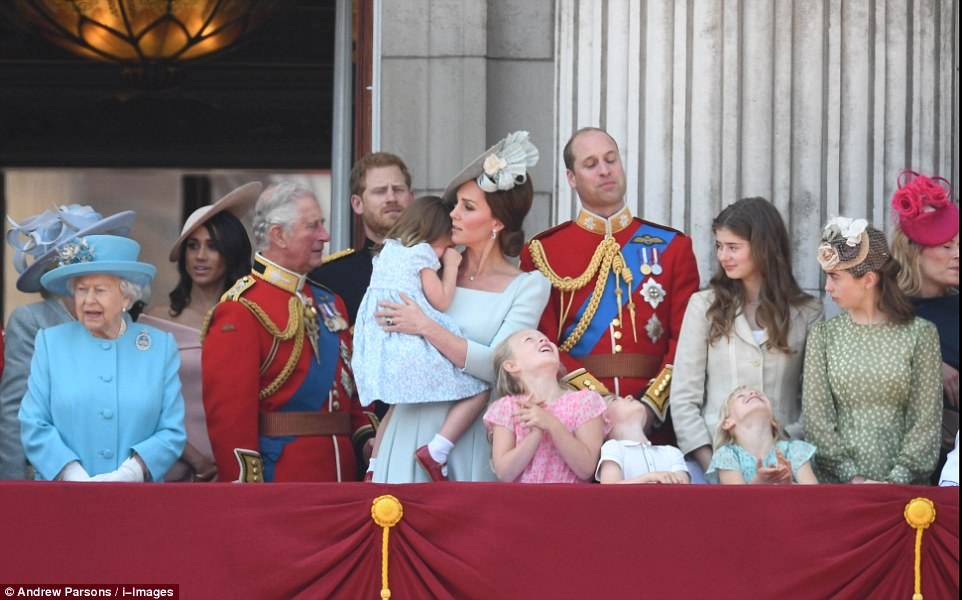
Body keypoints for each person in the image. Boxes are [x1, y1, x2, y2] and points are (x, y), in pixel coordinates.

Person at [372, 131, 551, 482]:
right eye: (456, 204)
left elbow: (499, 365)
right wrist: (377, 453)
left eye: (467, 207)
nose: (452, 214)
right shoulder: (430, 267)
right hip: (407, 425)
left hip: (469, 439)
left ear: (497, 223)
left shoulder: (528, 286)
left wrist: (425, 326)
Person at [520, 127, 699, 443]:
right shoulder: (544, 251)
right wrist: (599, 402)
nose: (604, 170)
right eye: (591, 164)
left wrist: (649, 407)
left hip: (656, 422)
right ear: (571, 178)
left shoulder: (672, 246)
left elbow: (686, 339)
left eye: (611, 160)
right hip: (575, 422)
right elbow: (542, 340)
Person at [201, 182, 368, 482]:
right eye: (312, 226)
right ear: (279, 235)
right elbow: (230, 422)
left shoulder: (331, 302)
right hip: (283, 479)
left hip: (343, 478)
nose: (324, 235)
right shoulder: (241, 310)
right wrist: (248, 492)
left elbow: (351, 390)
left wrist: (367, 439)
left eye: (323, 224)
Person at [670, 198, 823, 482]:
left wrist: (786, 457)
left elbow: (813, 401)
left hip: (789, 470)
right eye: (719, 246)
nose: (723, 256)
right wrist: (714, 467)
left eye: (733, 247)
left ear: (764, 248)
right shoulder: (703, 306)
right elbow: (683, 397)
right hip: (714, 467)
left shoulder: (807, 312)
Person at [18, 234, 186, 481]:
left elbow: (172, 431)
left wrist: (132, 472)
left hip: (138, 502)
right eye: (81, 290)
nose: (88, 300)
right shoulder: (50, 343)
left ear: (127, 297)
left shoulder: (159, 348)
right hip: (63, 500)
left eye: (100, 290)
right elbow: (33, 423)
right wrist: (70, 472)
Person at [352, 195, 489, 481]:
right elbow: (440, 300)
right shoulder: (422, 254)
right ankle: (438, 450)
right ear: (435, 235)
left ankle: (374, 466)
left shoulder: (387, 251)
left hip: (382, 349)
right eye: (447, 244)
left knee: (395, 405)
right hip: (411, 345)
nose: (448, 250)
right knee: (478, 387)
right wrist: (450, 266)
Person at [803, 217, 942, 484]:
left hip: (904, 495)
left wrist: (895, 481)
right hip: (839, 489)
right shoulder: (824, 335)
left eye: (835, 277)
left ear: (868, 279)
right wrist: (853, 479)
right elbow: (817, 421)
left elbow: (925, 421)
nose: (827, 287)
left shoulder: (920, 334)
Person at [1, 205, 135, 480]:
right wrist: (13, 489)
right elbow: (15, 411)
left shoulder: (123, 319)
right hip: (48, 478)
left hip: (117, 477)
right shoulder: (32, 320)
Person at [139, 182, 259, 481]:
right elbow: (141, 402)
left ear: (231, 252)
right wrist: (195, 458)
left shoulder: (252, 318)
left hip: (241, 467)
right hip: (172, 465)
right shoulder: (153, 321)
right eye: (192, 246)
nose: (200, 256)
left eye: (212, 246)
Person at [888, 170, 959, 482]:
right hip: (900, 466)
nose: (957, 255)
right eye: (946, 247)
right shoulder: (885, 310)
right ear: (914, 251)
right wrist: (931, 363)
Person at [482, 329, 606, 483]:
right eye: (529, 339)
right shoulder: (507, 408)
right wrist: (535, 434)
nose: (543, 340)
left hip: (571, 503)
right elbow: (504, 473)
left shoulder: (585, 401)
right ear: (511, 365)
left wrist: (552, 424)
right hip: (523, 504)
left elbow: (586, 468)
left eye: (545, 338)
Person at [309, 152, 414, 324]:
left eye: (398, 189)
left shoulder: (438, 267)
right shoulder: (329, 278)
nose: (391, 198)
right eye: (380, 191)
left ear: (411, 198)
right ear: (358, 204)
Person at [707, 386, 818, 485]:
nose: (753, 394)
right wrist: (758, 484)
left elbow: (814, 498)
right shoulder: (727, 455)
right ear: (727, 423)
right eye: (741, 396)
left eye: (758, 394)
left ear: (774, 421)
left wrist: (788, 485)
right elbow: (735, 501)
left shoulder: (795, 450)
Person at [596, 394, 690, 484]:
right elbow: (609, 489)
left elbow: (685, 489)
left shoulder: (672, 452)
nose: (629, 396)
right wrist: (649, 478)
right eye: (615, 400)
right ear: (605, 421)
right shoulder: (612, 448)